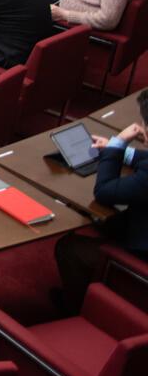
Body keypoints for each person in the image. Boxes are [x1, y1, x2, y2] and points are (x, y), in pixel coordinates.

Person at [53, 119, 148, 309]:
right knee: (100, 220)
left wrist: (118, 142)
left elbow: (104, 192)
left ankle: (79, 310)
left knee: (68, 248)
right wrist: (118, 149)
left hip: (142, 257)